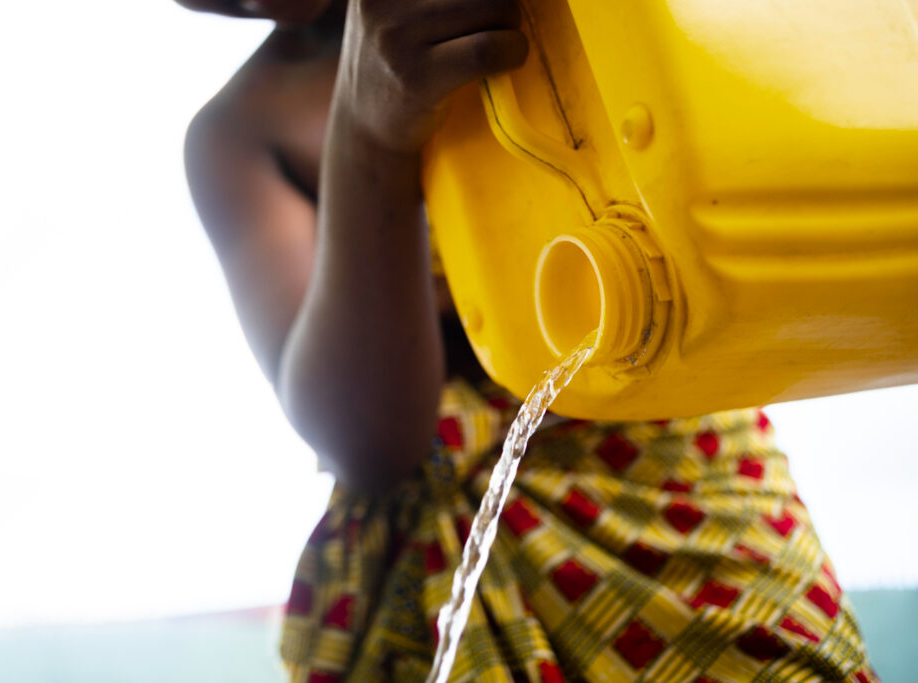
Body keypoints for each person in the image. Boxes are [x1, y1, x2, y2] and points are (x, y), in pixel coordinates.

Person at [173, 0, 879, 680]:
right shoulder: (240, 132)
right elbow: (368, 443)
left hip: (677, 475)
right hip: (433, 567)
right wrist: (368, 136)